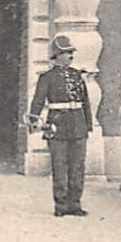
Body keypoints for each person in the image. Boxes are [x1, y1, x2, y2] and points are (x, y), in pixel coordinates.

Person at [28, 34, 92, 216]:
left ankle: (75, 204)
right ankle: (61, 205)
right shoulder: (47, 77)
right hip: (56, 125)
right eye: (66, 53)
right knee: (60, 166)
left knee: (78, 166)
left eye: (71, 52)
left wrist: (88, 125)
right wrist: (33, 120)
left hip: (78, 125)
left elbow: (85, 101)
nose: (71, 56)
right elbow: (38, 101)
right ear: (56, 55)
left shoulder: (77, 76)